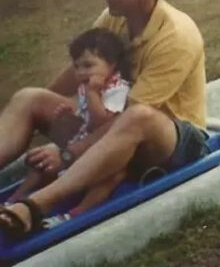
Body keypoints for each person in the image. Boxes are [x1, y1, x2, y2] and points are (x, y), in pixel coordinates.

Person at [0, 0, 209, 238]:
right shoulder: (114, 17)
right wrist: (42, 111)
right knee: (29, 97)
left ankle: (31, 208)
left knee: (138, 117)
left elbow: (129, 115)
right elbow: (81, 70)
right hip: (109, 122)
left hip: (170, 141)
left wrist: (67, 153)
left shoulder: (176, 37)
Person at [7, 29, 131, 227]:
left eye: (89, 65)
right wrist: (67, 115)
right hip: (81, 144)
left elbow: (102, 122)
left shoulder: (117, 88)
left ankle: (77, 213)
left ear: (112, 64)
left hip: (103, 148)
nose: (82, 72)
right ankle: (14, 200)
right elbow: (86, 119)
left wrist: (92, 93)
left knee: (112, 175)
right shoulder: (86, 87)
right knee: (42, 162)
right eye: (77, 66)